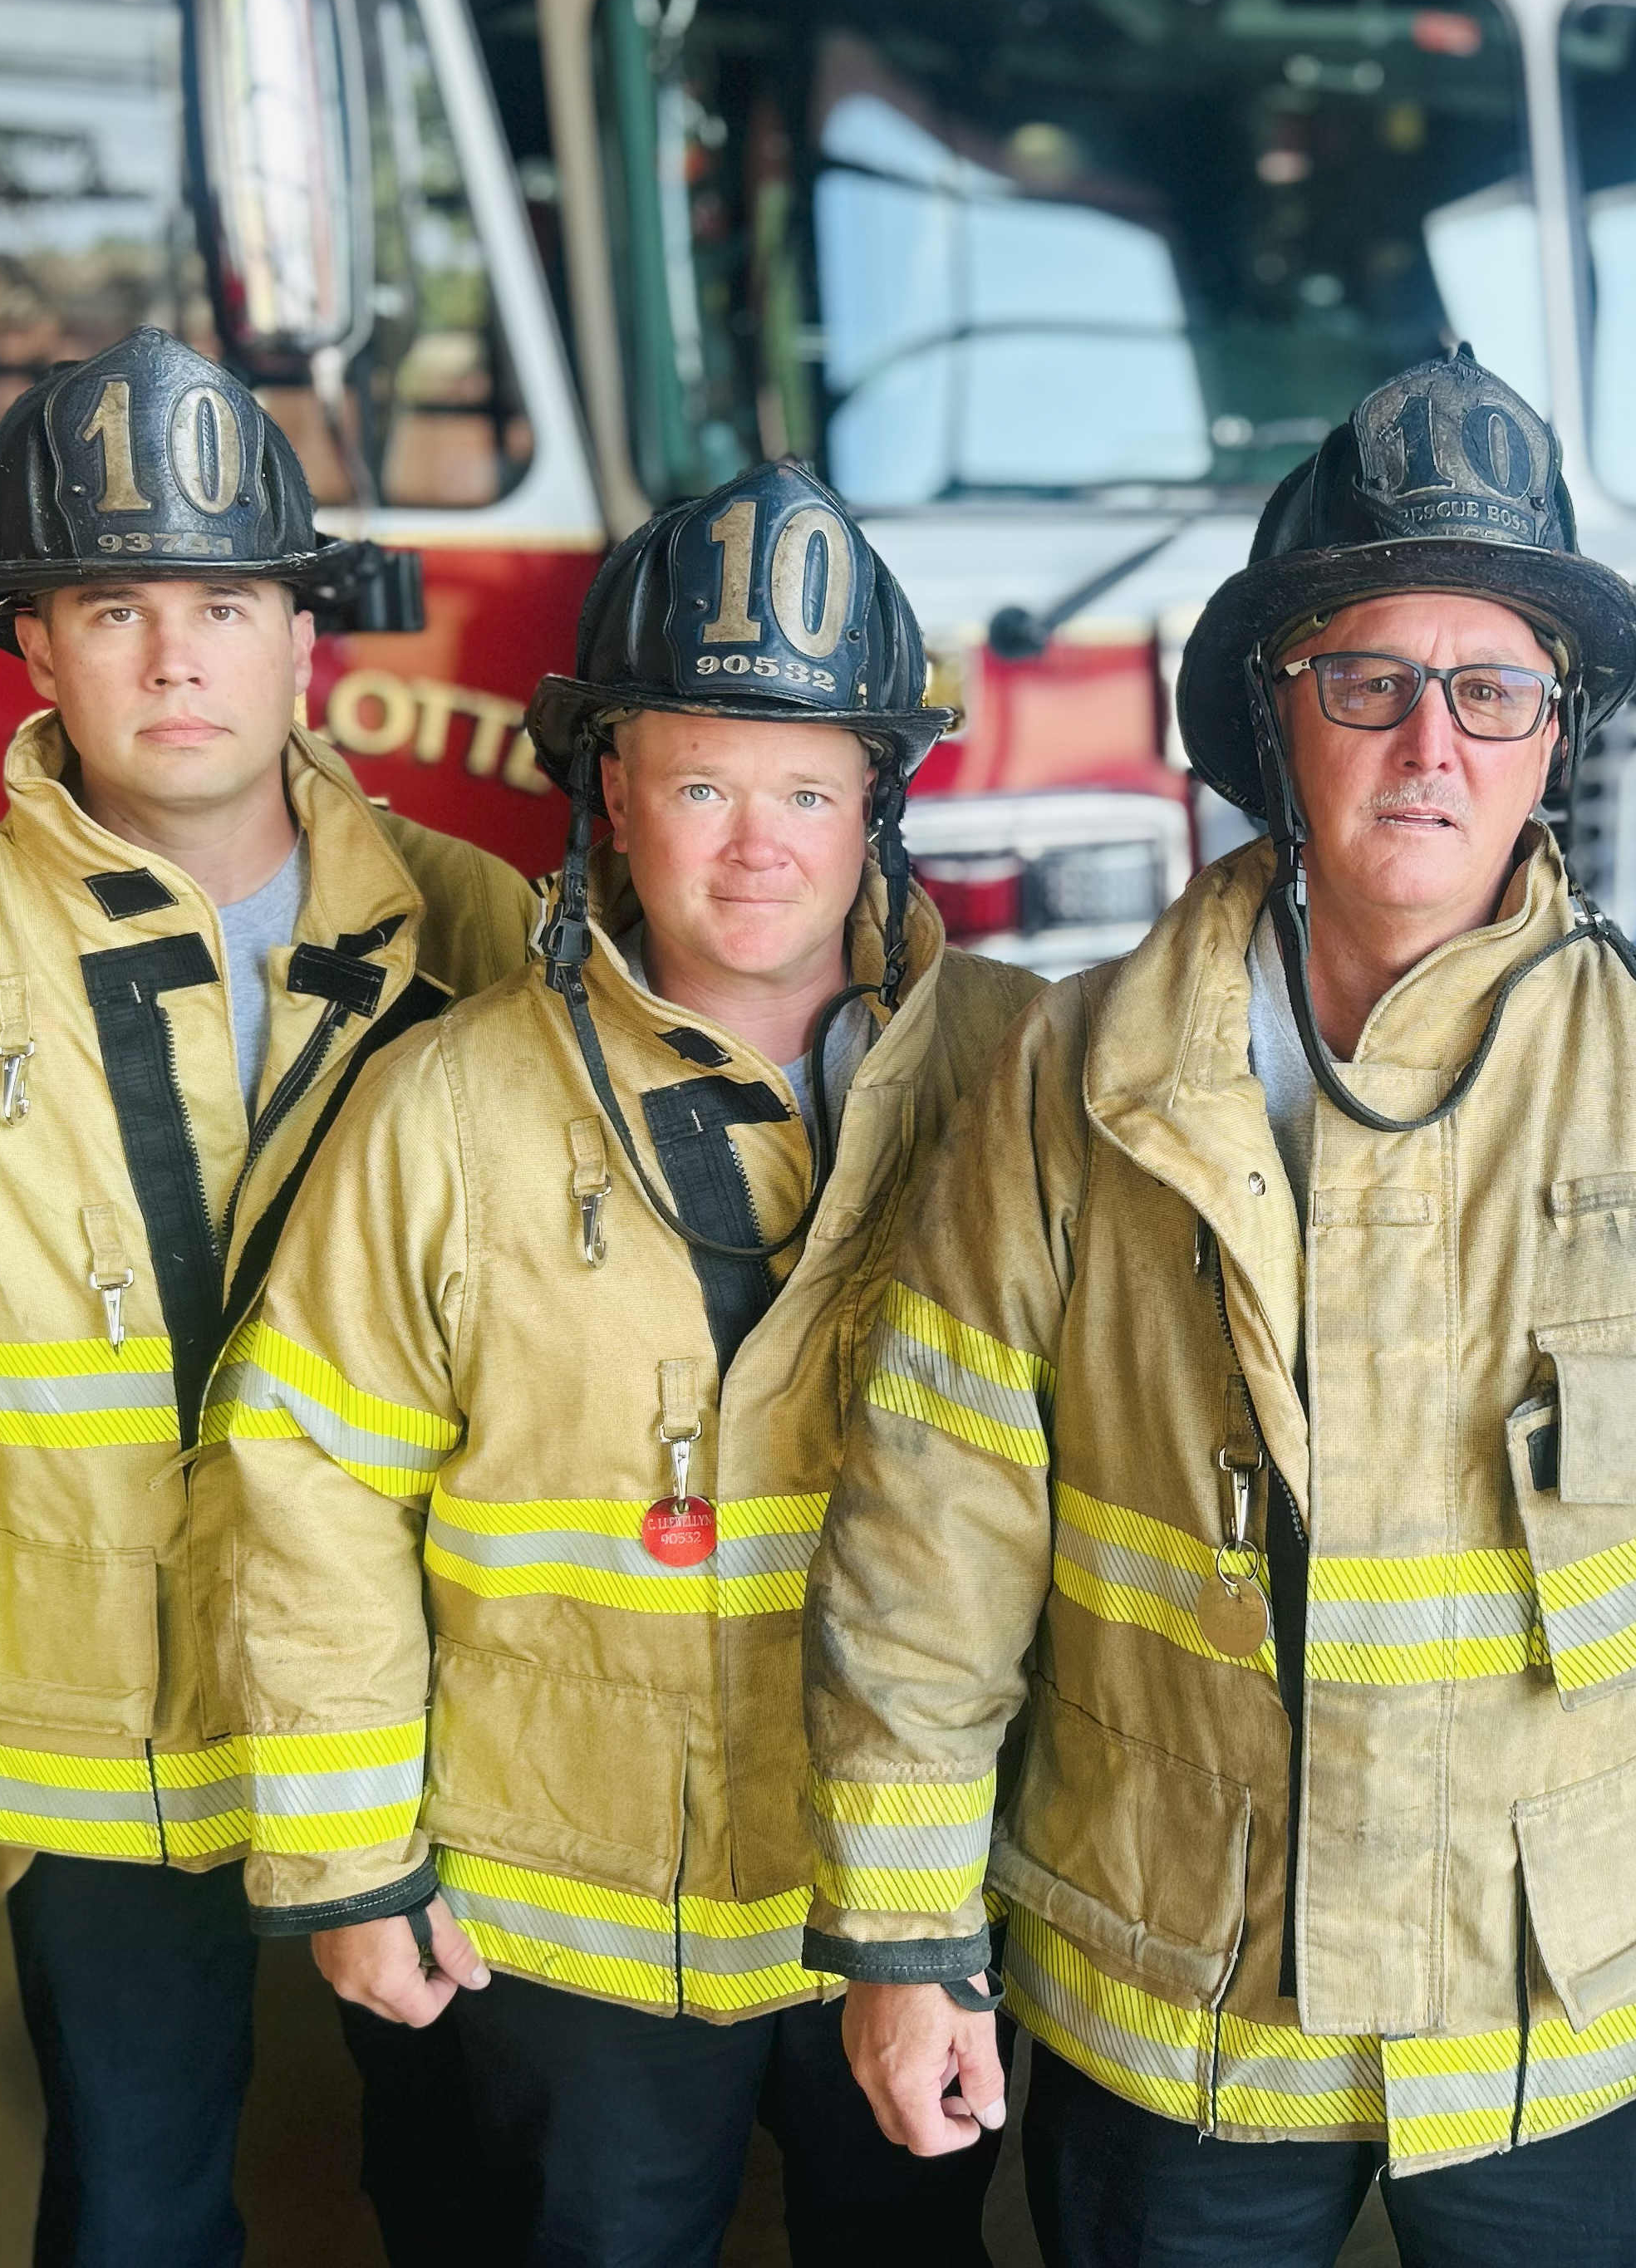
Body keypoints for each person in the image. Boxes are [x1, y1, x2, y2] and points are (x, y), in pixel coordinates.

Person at [796, 350, 1636, 2268]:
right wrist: (908, 1933)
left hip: (1566, 2010)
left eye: (1494, 686)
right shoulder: (1066, 1082)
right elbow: (931, 1531)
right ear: (1279, 720)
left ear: (1555, 734)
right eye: (1369, 681)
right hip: (1170, 1989)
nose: (1433, 744)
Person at [0, 329, 535, 2266]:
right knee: (137, 2200)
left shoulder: (482, 934)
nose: (176, 659)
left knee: (471, 2182)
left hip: (424, 1718)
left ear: (302, 641)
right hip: (90, 1733)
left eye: (226, 602)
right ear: (33, 647)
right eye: (115, 607)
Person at [204, 464, 1037, 2268]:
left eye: (808, 786)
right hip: (562, 1917)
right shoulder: (445, 1105)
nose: (759, 842)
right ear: (613, 792)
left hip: (907, 1895)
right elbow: (311, 1483)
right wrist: (350, 1859)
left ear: (877, 801)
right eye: (705, 781)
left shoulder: (1021, 1080)